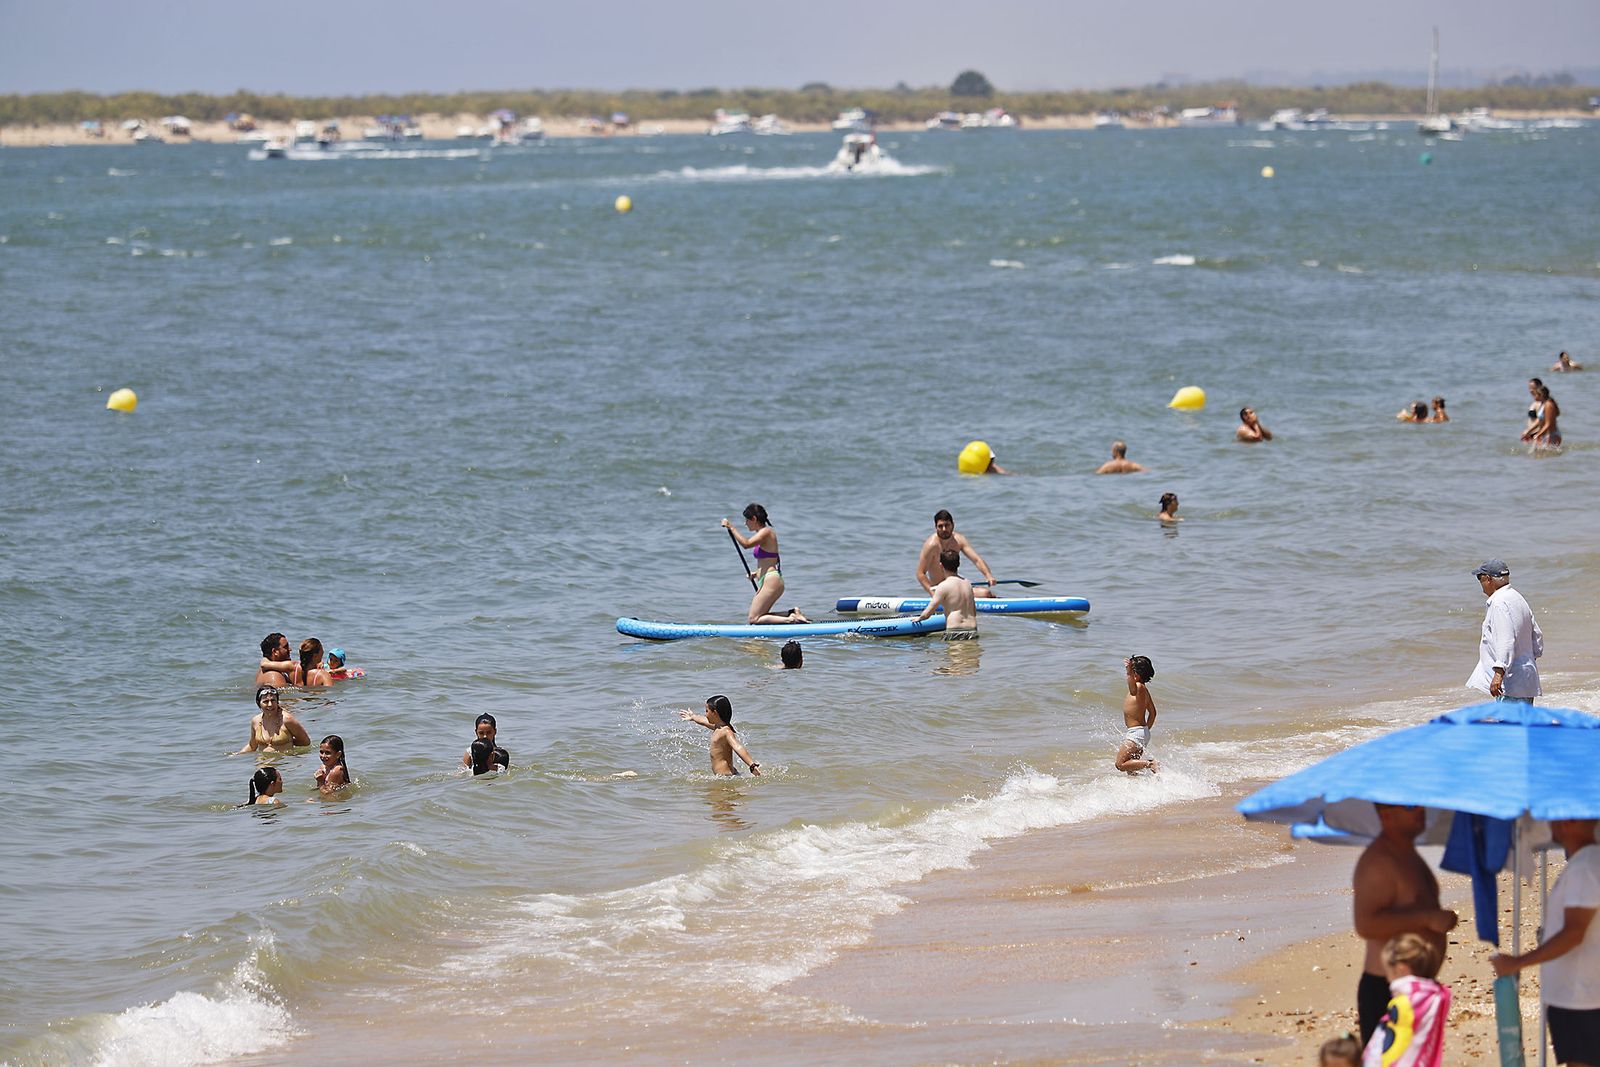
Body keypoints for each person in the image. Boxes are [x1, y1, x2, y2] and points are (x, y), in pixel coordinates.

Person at [1490, 818, 1599, 1067]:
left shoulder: (1586, 866)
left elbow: (1574, 933)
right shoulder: (1588, 862)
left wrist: (1518, 962)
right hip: (1581, 996)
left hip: (1581, 999)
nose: (1550, 824)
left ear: (1568, 822)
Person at [1351, 803, 1459, 1045]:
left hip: (1414, 988)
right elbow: (1365, 924)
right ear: (1385, 813)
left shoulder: (1406, 854)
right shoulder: (1379, 861)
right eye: (1410, 806)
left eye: (1420, 803)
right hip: (1386, 989)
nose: (1421, 810)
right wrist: (1427, 918)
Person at [1362, 933, 1450, 1067]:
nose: (1387, 979)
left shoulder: (1406, 1002)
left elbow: (1392, 1044)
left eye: (1389, 972)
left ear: (1401, 969)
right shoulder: (1436, 995)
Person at [1466, 559, 1542, 703]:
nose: (1479, 583)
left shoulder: (1498, 603)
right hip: (1526, 677)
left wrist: (1498, 674)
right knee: (1523, 723)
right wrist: (1527, 659)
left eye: (1479, 578)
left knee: (1508, 724)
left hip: (1510, 681)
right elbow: (1537, 637)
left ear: (1488, 579)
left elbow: (1506, 640)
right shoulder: (1517, 597)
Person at [721, 504, 810, 624]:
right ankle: (792, 613)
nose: (745, 523)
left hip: (771, 580)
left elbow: (746, 544)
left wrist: (731, 527)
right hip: (767, 579)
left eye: (747, 520)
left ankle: (791, 619)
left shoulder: (767, 532)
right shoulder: (762, 534)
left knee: (754, 619)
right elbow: (768, 560)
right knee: (761, 616)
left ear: (754, 519)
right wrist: (756, 573)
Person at [917, 510, 997, 598]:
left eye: (947, 525)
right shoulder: (931, 545)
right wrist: (932, 593)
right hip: (940, 589)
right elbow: (920, 573)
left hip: (956, 585)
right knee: (984, 594)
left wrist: (988, 575)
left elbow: (976, 560)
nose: (944, 529)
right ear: (935, 527)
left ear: (953, 525)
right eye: (940, 526)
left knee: (987, 594)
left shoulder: (959, 540)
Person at [679, 695, 760, 776]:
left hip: (726, 777)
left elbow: (738, 747)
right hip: (723, 776)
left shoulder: (726, 731)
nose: (705, 714)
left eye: (707, 711)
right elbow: (703, 721)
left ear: (715, 713)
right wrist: (693, 717)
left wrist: (752, 765)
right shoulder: (718, 727)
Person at [917, 549, 978, 639]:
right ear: (959, 564)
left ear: (941, 565)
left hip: (955, 629)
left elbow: (928, 613)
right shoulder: (967, 583)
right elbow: (974, 611)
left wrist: (919, 619)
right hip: (972, 628)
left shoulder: (943, 586)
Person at [1114, 655, 1158, 774]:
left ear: (1136, 675)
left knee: (1120, 764)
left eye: (1132, 672)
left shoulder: (1138, 687)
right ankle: (1138, 789)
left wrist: (1128, 670)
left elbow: (1130, 681)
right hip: (1141, 732)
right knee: (1132, 769)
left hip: (1136, 733)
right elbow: (1153, 713)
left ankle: (1150, 763)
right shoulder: (1144, 691)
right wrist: (1145, 730)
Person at [237, 685, 311, 753]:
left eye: (273, 700)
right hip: (262, 763)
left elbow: (306, 742)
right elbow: (252, 746)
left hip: (284, 764)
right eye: (265, 701)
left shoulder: (287, 720)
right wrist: (235, 756)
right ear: (258, 703)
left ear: (277, 701)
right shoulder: (256, 721)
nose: (270, 704)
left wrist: (288, 743)